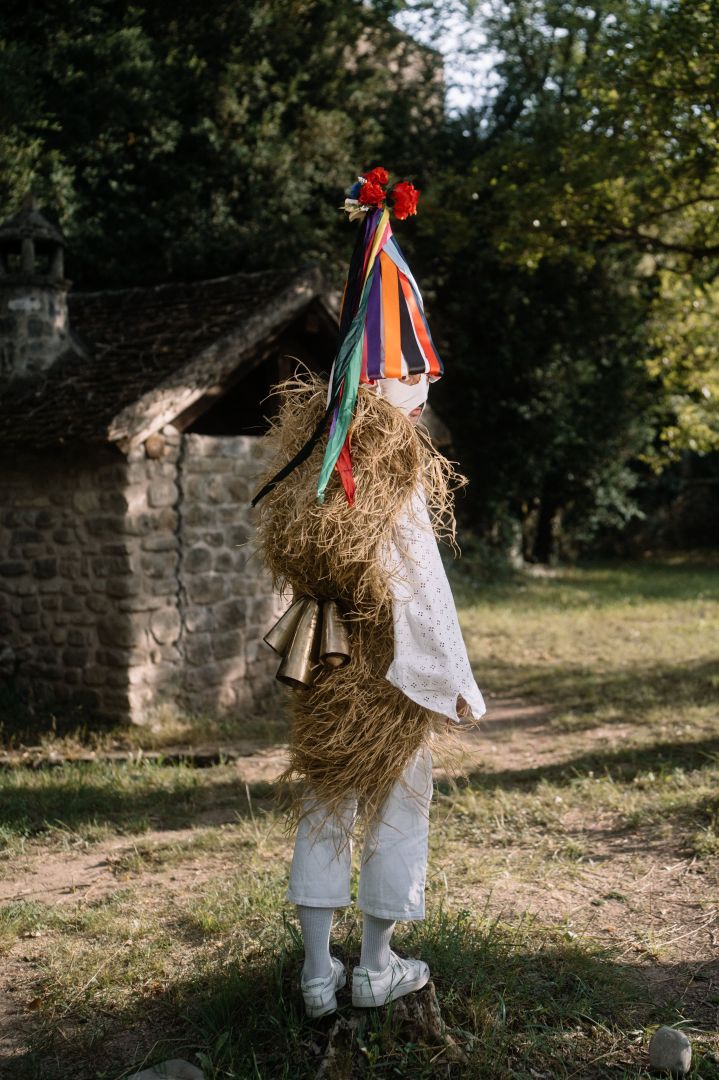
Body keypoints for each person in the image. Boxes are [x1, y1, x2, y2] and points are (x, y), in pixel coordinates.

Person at [252, 169, 486, 1018]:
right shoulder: (388, 476)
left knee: (321, 802)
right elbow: (419, 588)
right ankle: (375, 964)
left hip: (322, 664)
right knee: (396, 802)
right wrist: (455, 678)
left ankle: (318, 973)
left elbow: (289, 557)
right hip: (383, 669)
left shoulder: (314, 469)